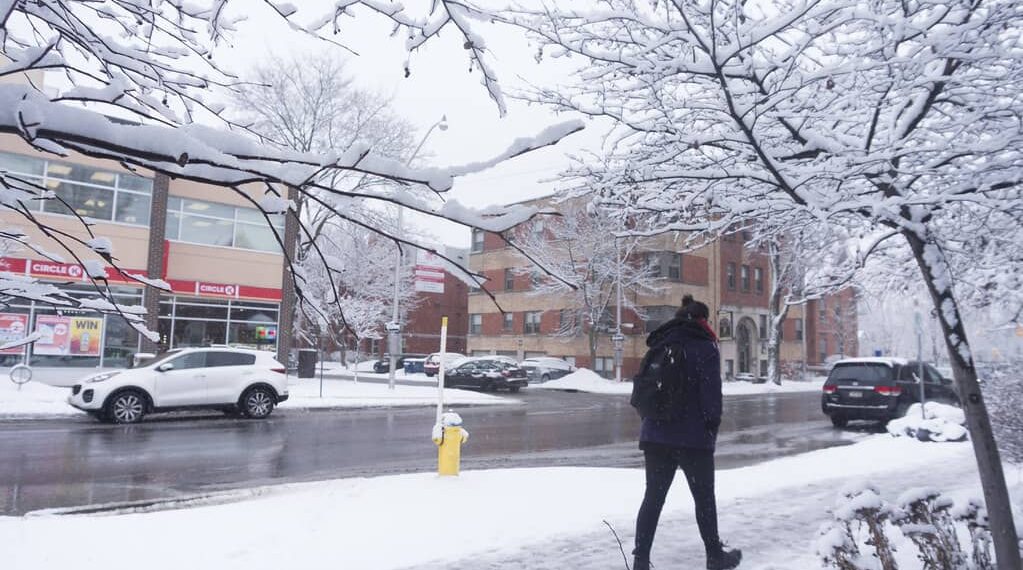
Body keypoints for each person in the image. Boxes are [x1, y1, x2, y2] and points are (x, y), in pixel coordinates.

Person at [633, 294, 741, 570]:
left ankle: (641, 560)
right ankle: (715, 556)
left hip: (655, 435)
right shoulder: (705, 347)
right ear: (702, 320)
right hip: (694, 439)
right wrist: (710, 431)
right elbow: (711, 399)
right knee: (704, 500)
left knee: (653, 498)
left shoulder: (660, 342)